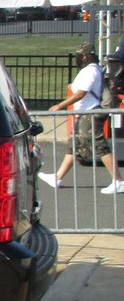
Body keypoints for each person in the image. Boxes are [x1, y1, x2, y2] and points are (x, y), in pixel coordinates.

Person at [39, 43, 124, 195]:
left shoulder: (90, 71)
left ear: (85, 56)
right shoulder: (94, 69)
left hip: (90, 113)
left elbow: (80, 94)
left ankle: (118, 181)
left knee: (99, 145)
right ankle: (57, 178)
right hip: (85, 113)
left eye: (80, 55)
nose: (78, 58)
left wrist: (60, 105)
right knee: (75, 145)